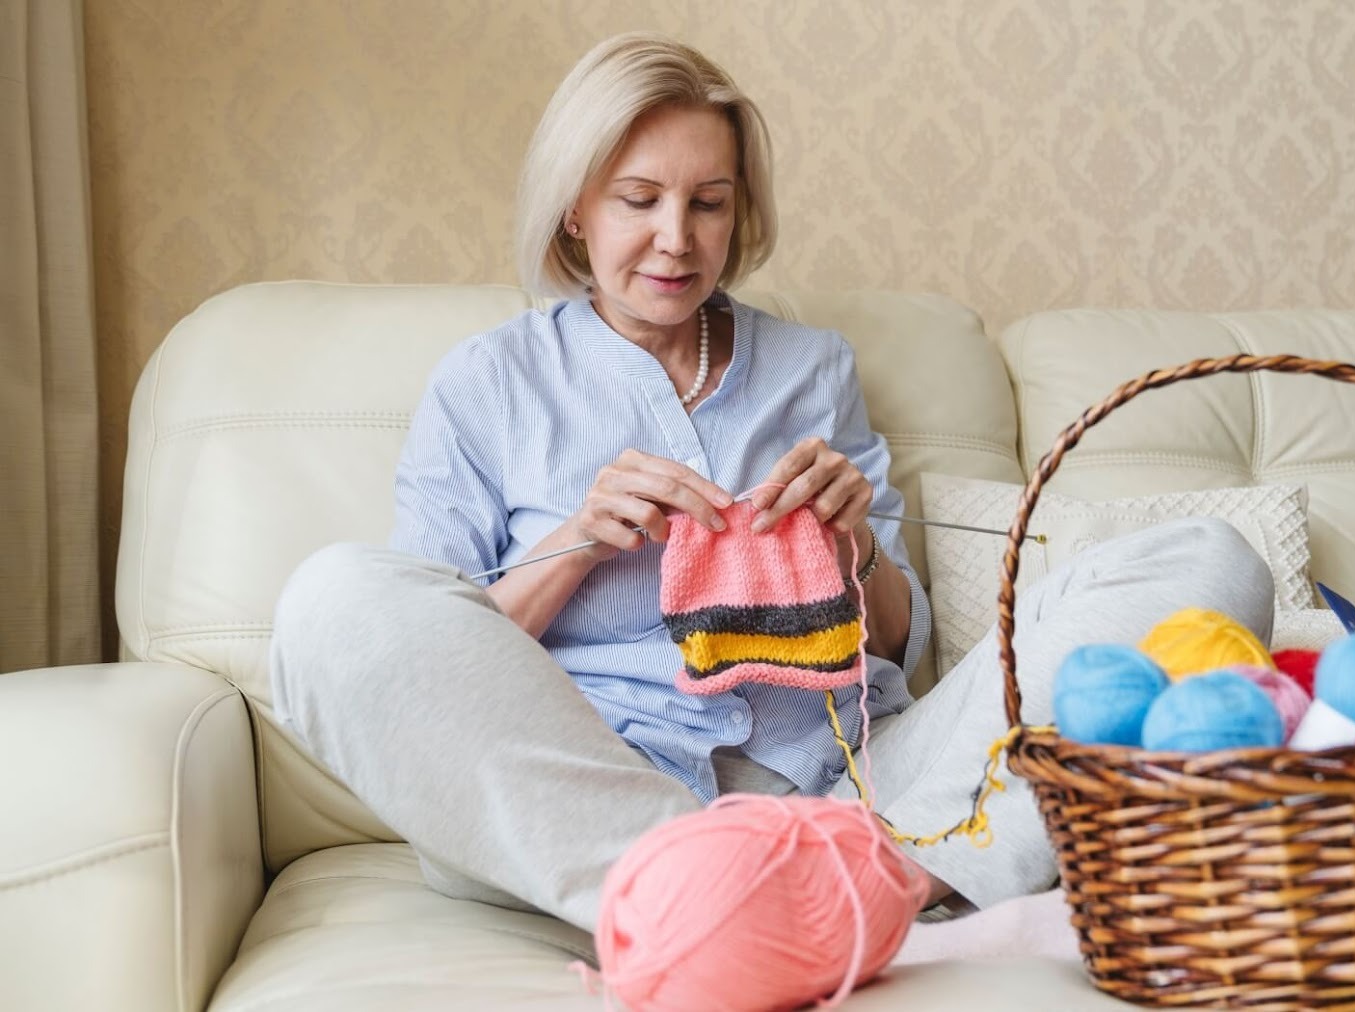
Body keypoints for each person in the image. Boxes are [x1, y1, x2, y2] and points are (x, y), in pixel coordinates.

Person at [270, 32, 1274, 932]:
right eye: (639, 200)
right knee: (333, 601)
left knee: (1210, 560)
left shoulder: (812, 368)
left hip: (852, 782)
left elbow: (897, 641)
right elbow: (429, 642)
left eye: (710, 203)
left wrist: (859, 548)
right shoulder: (490, 382)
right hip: (594, 791)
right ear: (575, 208)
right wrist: (577, 538)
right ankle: (735, 884)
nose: (677, 237)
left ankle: (782, 891)